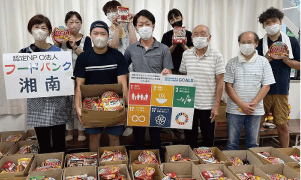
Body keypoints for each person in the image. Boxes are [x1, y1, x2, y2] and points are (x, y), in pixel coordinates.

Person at [74, 21, 129, 152]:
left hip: (115, 103)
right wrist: (78, 108)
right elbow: (79, 86)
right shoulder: (83, 58)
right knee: (93, 137)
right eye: (96, 33)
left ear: (108, 35)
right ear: (90, 35)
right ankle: (95, 166)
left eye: (103, 34)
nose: (99, 36)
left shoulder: (117, 56)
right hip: (91, 105)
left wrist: (127, 106)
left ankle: (115, 166)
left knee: (114, 137)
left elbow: (123, 85)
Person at [19, 14, 71, 153]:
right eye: (36, 27)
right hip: (37, 101)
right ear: (31, 30)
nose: (40, 30)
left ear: (49, 32)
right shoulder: (23, 53)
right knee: (43, 142)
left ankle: (61, 171)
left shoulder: (59, 52)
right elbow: (19, 77)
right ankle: (46, 171)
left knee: (60, 140)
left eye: (44, 27)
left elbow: (66, 76)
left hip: (57, 100)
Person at [124, 9, 173, 150]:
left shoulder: (164, 49)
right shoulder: (131, 49)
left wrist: (166, 72)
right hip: (138, 95)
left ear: (153, 26)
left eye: (147, 24)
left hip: (158, 95)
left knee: (155, 132)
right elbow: (123, 70)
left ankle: (157, 161)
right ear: (136, 28)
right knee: (138, 132)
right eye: (140, 24)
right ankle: (137, 161)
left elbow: (168, 70)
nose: (144, 27)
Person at [257, 7, 301, 148]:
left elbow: (299, 65)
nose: (271, 25)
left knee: (282, 125)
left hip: (281, 90)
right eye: (267, 23)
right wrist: (267, 58)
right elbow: (254, 68)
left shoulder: (291, 41)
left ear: (281, 21)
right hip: (261, 91)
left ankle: (284, 153)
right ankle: (254, 153)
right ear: (263, 26)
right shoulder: (259, 43)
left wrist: (287, 60)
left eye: (274, 21)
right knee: (256, 125)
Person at [224, 31, 275, 150]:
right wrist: (241, 104)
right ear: (239, 44)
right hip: (234, 110)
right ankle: (231, 168)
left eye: (249, 42)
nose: (246, 45)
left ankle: (252, 168)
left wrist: (254, 104)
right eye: (243, 42)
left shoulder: (264, 62)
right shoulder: (232, 62)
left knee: (253, 144)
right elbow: (228, 86)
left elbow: (266, 86)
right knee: (231, 143)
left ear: (256, 44)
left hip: (255, 110)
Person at [179, 25, 225, 148]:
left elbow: (220, 82)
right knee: (189, 139)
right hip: (188, 104)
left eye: (203, 34)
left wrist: (216, 106)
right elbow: (183, 76)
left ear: (209, 38)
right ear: (192, 38)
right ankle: (191, 164)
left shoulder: (217, 56)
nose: (199, 37)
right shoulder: (186, 54)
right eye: (196, 34)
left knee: (208, 139)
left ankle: (207, 164)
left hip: (208, 106)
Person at [53, 11, 92, 142]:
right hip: (64, 78)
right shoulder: (60, 40)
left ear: (81, 24)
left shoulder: (86, 39)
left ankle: (81, 131)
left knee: (80, 104)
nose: (74, 25)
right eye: (71, 22)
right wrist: (57, 44)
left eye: (77, 22)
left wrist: (74, 46)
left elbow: (87, 58)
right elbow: (53, 59)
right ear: (65, 24)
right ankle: (69, 131)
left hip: (81, 78)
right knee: (66, 106)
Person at [102, 0, 138, 136]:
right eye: (109, 11)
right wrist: (117, 27)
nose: (112, 13)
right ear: (106, 15)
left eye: (115, 10)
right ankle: (117, 122)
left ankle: (130, 124)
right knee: (116, 96)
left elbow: (134, 45)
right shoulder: (106, 30)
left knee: (130, 96)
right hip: (114, 68)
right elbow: (114, 46)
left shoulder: (129, 27)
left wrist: (130, 25)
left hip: (130, 67)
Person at [161, 8, 193, 74]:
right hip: (171, 70)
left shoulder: (189, 34)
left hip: (187, 70)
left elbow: (193, 55)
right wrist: (173, 45)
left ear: (182, 18)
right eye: (172, 20)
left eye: (177, 18)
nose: (175, 21)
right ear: (170, 22)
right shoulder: (166, 35)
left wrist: (184, 45)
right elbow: (163, 55)